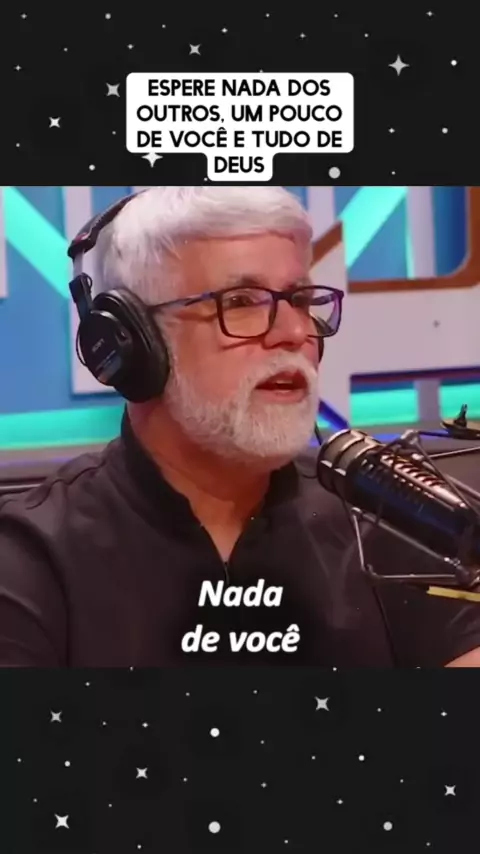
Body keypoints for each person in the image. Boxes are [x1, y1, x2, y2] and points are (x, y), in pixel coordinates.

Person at [0, 185, 480, 668]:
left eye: (299, 299)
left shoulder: (388, 519)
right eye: (242, 301)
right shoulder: (29, 557)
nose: (296, 332)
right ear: (132, 342)